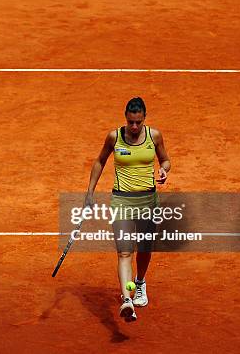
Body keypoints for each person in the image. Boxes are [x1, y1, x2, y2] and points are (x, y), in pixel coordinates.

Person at [84, 97, 171, 322]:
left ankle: (139, 282)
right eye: (130, 122)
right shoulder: (115, 137)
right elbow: (99, 161)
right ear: (126, 118)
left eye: (138, 122)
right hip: (121, 201)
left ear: (144, 119)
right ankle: (126, 300)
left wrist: (163, 170)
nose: (134, 127)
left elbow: (165, 160)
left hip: (148, 201)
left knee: (144, 249)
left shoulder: (155, 136)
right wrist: (89, 192)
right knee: (124, 252)